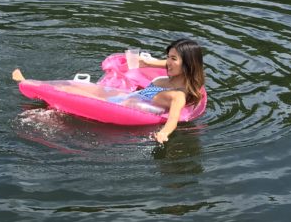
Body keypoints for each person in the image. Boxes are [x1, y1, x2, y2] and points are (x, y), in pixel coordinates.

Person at [12, 38, 206, 144]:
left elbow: (172, 120)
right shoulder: (170, 73)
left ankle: (30, 88)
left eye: (173, 59)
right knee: (76, 85)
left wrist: (163, 134)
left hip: (126, 106)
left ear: (187, 64)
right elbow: (162, 64)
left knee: (76, 94)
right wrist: (147, 61)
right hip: (129, 97)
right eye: (168, 57)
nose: (167, 62)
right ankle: (33, 85)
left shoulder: (178, 95)